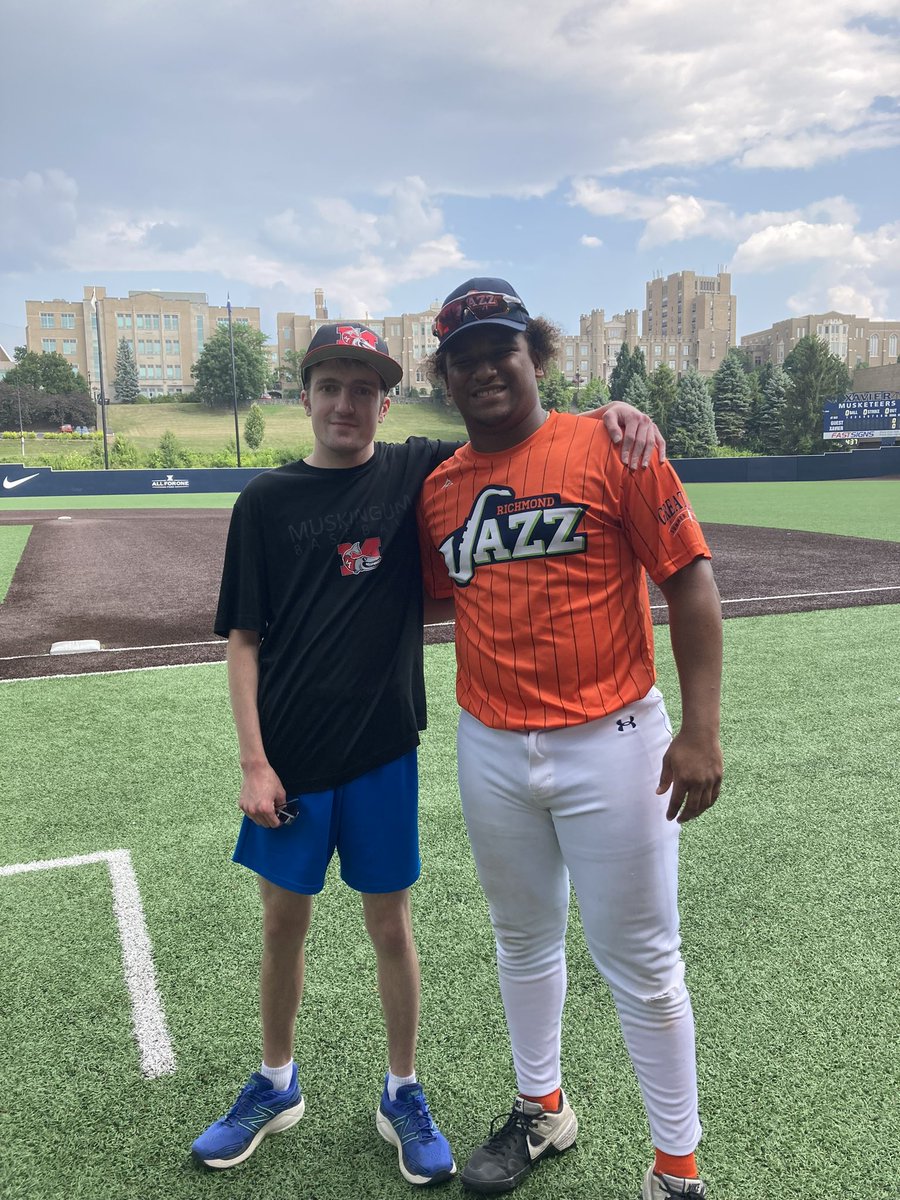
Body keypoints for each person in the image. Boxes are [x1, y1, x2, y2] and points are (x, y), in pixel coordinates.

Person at [192, 319, 664, 1187]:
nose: (345, 403)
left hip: (382, 752)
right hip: (290, 761)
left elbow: (517, 431)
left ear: (386, 402)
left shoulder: (417, 472)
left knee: (391, 926)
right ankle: (275, 1081)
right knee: (282, 925)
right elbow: (243, 641)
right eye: (329, 387)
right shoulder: (264, 501)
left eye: (363, 388)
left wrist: (610, 414)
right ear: (303, 397)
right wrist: (254, 762)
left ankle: (401, 1091)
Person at [417, 279, 723, 1200]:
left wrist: (701, 730)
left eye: (500, 351)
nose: (484, 371)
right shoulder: (439, 490)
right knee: (521, 939)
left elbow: (690, 582)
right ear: (445, 378)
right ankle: (542, 1108)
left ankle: (676, 1170)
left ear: (537, 356)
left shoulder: (614, 445)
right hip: (491, 745)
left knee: (645, 963)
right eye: (464, 360)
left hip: (614, 739)